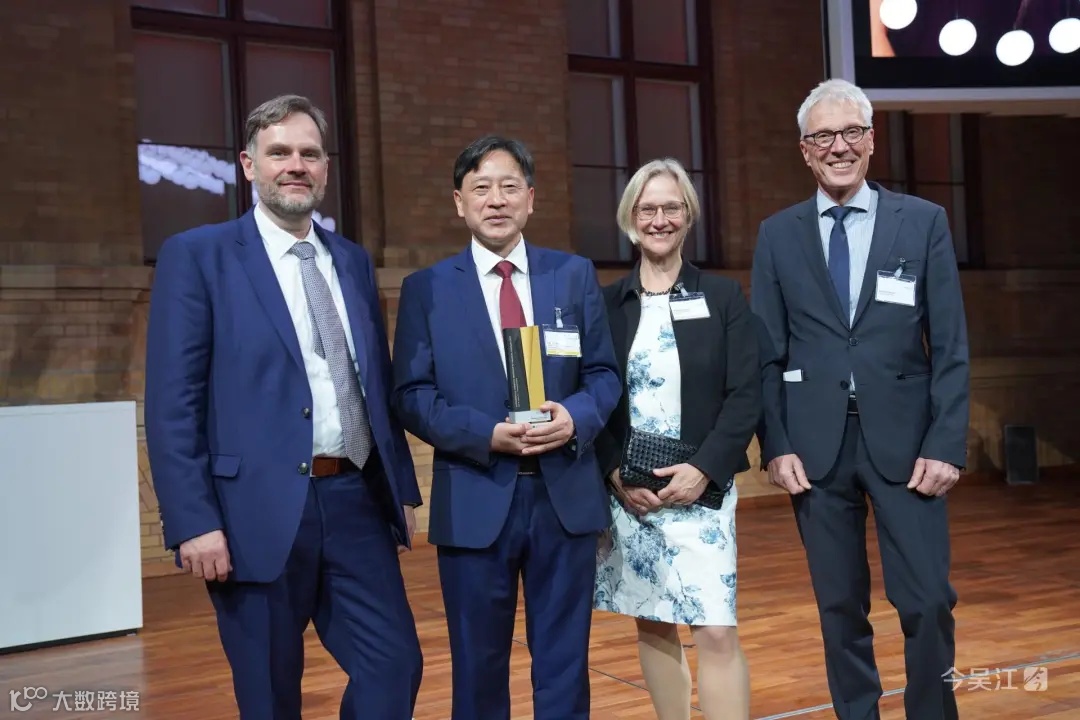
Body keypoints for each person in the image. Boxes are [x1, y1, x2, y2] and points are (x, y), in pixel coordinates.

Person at [144, 94, 423, 719]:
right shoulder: (199, 256)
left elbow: (371, 383)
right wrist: (192, 521)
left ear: (325, 168)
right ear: (249, 165)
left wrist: (400, 488)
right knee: (270, 696)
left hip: (354, 498)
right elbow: (172, 403)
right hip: (252, 512)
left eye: (309, 154)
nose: (295, 165)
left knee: (395, 667)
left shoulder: (351, 260)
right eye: (279, 153)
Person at [750, 78, 970, 720]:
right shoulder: (778, 234)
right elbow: (767, 352)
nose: (838, 146)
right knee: (840, 607)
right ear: (805, 150)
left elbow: (950, 344)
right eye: (823, 136)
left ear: (871, 141)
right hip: (815, 448)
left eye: (851, 132)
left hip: (909, 445)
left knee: (928, 601)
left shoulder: (922, 221)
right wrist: (776, 444)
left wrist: (946, 443)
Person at [390, 135, 621, 720]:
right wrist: (484, 433)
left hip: (563, 497)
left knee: (564, 664)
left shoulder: (572, 275)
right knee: (478, 666)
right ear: (459, 202)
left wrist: (575, 417)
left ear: (531, 199)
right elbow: (412, 395)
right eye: (481, 188)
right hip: (475, 494)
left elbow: (603, 374)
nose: (496, 200)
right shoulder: (427, 289)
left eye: (510, 187)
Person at [592, 158, 762, 720]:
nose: (659, 219)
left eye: (671, 207)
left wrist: (705, 468)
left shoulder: (723, 296)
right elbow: (592, 395)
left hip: (702, 492)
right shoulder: (607, 303)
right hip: (633, 496)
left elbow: (745, 393)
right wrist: (614, 474)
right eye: (648, 209)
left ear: (688, 215)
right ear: (630, 218)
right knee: (654, 623)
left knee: (715, 629)